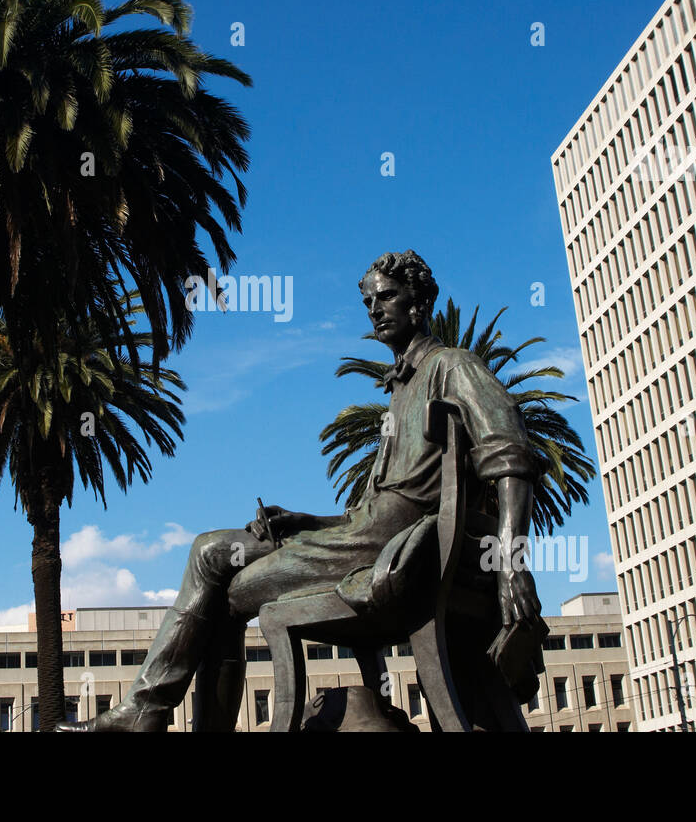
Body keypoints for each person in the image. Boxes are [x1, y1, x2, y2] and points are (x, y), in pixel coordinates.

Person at [58, 249, 540, 731]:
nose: (375, 310)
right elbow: (368, 510)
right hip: (363, 537)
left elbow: (510, 456)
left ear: (419, 303)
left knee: (224, 591)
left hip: (391, 549)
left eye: (387, 297)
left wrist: (512, 564)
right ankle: (145, 710)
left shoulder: (453, 366)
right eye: (368, 302)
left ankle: (147, 712)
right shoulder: (400, 389)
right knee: (209, 550)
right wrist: (303, 522)